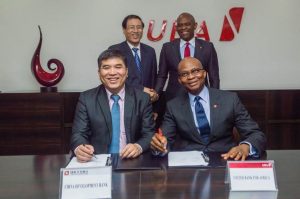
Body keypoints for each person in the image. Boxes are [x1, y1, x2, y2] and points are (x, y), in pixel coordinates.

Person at [151, 57, 266, 160]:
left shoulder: (230, 100)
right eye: (185, 74)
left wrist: (245, 147)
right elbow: (164, 139)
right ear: (180, 80)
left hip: (225, 159)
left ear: (204, 73)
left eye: (195, 71)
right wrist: (159, 145)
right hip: (189, 166)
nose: (191, 77)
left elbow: (256, 134)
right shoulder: (173, 106)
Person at [71, 49, 155, 162]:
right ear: (99, 73)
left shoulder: (142, 99)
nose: (112, 72)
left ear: (127, 71)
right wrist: (80, 148)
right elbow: (78, 134)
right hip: (97, 160)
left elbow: (149, 134)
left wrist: (138, 147)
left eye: (118, 67)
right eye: (106, 68)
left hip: (131, 161)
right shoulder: (87, 99)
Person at [155, 12, 220, 101]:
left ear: (195, 25)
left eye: (187, 24)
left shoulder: (207, 47)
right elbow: (162, 76)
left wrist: (215, 99)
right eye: (180, 25)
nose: (183, 28)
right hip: (174, 98)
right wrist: (155, 94)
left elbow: (214, 77)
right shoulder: (167, 48)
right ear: (176, 27)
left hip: (202, 97)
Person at [109, 14, 158, 103]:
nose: (136, 31)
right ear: (124, 30)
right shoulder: (115, 50)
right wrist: (141, 89)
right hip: (124, 102)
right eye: (132, 27)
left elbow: (153, 79)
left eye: (139, 27)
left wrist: (154, 106)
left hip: (146, 104)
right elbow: (115, 78)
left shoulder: (150, 51)